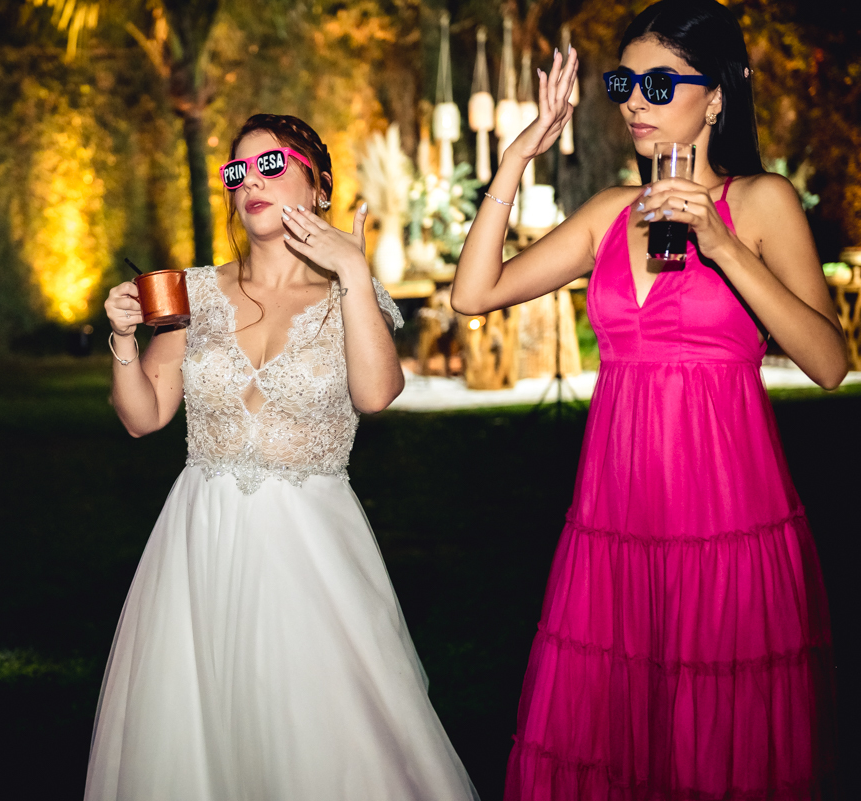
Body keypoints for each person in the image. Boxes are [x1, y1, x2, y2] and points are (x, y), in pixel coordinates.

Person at [451, 1, 844, 797]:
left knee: (716, 742)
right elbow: (474, 292)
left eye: (659, 83)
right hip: (616, 522)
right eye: (625, 82)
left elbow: (829, 362)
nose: (635, 100)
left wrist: (725, 248)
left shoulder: (761, 202)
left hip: (726, 520)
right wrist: (518, 155)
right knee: (617, 739)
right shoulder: (605, 216)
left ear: (719, 95)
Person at [88, 113, 478, 800]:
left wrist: (352, 265)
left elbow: (378, 392)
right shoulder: (193, 292)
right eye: (237, 172)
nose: (251, 183)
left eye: (272, 165)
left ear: (319, 186)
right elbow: (143, 415)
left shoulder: (349, 292)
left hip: (313, 556)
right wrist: (123, 341)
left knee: (327, 748)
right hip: (199, 547)